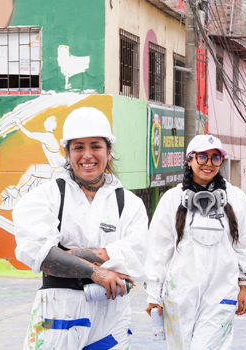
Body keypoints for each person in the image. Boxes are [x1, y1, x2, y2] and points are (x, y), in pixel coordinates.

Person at [13, 107, 149, 349]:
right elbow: (37, 254)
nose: (88, 155)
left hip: (111, 314)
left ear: (109, 151)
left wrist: (62, 256)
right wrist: (99, 270)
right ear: (67, 153)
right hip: (57, 312)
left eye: (96, 146)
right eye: (78, 147)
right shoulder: (45, 197)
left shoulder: (129, 204)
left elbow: (135, 258)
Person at [145, 134, 246, 349]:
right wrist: (153, 294)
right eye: (202, 157)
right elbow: (158, 250)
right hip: (179, 293)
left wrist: (243, 285)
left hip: (221, 293)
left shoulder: (236, 198)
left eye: (215, 158)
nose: (209, 163)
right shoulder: (172, 199)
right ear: (189, 160)